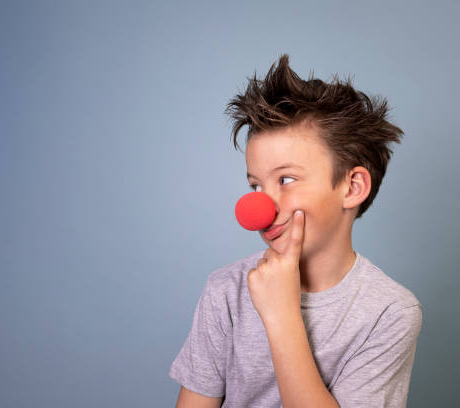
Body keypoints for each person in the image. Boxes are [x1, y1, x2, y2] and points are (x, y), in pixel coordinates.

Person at [169, 54, 423, 408]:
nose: (260, 208)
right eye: (256, 185)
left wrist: (281, 314)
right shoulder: (226, 291)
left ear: (352, 188)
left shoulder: (389, 311)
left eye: (286, 179)